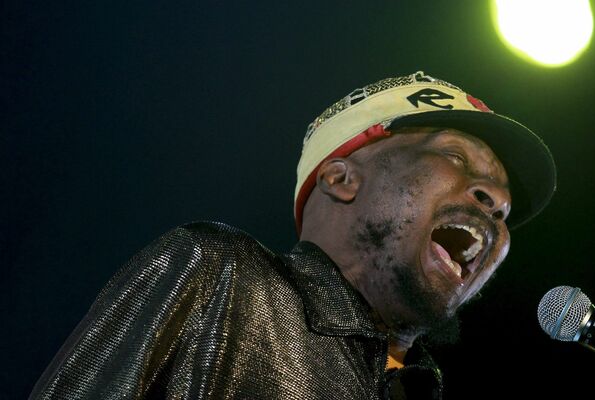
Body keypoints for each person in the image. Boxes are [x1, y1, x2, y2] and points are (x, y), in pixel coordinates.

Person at [29, 71, 556, 399]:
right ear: (341, 179)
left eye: (505, 204)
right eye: (455, 156)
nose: (496, 200)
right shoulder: (221, 274)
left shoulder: (418, 387)